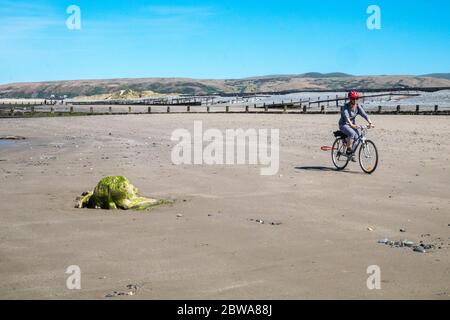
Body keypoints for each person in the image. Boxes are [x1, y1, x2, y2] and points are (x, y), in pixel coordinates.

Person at [338, 91, 374, 161]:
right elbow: (346, 116)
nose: (355, 100)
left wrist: (370, 123)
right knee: (352, 133)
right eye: (353, 98)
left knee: (357, 138)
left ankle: (351, 154)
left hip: (352, 125)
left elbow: (364, 115)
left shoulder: (357, 106)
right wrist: (351, 124)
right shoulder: (345, 106)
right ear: (350, 98)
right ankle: (348, 150)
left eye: (356, 98)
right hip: (344, 124)